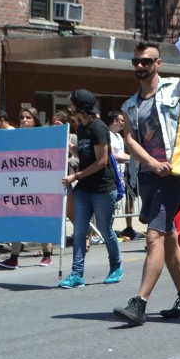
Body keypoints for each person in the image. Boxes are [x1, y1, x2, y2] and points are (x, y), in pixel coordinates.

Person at [114, 41, 180, 326]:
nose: (140, 66)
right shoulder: (130, 105)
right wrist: (151, 163)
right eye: (136, 62)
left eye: (146, 62)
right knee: (170, 237)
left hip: (173, 174)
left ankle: (140, 303)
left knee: (154, 236)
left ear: (158, 63)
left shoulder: (174, 89)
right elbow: (131, 140)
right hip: (148, 175)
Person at [58, 90, 122, 288]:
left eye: (71, 105)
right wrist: (71, 147)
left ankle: (116, 266)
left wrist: (75, 176)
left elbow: (102, 161)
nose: (69, 108)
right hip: (84, 189)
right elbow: (86, 154)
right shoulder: (83, 128)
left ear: (80, 107)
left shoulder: (98, 127)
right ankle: (77, 274)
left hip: (102, 188)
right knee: (79, 231)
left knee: (105, 229)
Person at [0, 107, 55, 269]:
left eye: (28, 117)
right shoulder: (14, 137)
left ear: (35, 120)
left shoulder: (42, 138)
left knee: (40, 219)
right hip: (19, 183)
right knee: (17, 219)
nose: (24, 120)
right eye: (22, 117)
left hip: (37, 183)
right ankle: (13, 258)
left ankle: (47, 255)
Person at [107, 109, 138, 240]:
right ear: (115, 121)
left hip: (121, 174)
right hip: (112, 174)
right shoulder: (108, 135)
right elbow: (113, 155)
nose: (123, 124)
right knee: (111, 204)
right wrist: (131, 159)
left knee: (121, 202)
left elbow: (123, 154)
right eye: (122, 121)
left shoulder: (119, 136)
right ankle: (105, 231)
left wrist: (135, 158)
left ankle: (122, 229)